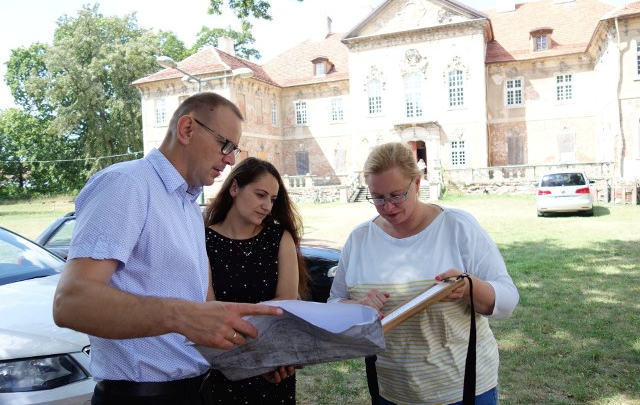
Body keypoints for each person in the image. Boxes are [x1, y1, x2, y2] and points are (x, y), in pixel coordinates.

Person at [53, 92, 283, 405]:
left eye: (234, 149)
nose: (231, 160)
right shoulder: (127, 184)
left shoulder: (188, 207)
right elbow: (72, 302)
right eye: (225, 145)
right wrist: (180, 316)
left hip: (196, 391)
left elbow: (201, 320)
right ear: (187, 129)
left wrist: (253, 362)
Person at [328, 142, 519, 405]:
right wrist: (358, 306)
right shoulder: (360, 238)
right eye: (377, 197)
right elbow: (335, 302)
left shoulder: (456, 226)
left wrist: (469, 287)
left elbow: (508, 300)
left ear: (417, 183)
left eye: (396, 195)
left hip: (462, 390)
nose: (388, 207)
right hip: (392, 391)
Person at [202, 157, 307, 404]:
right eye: (260, 195)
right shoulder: (203, 239)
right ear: (235, 188)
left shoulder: (279, 237)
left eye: (272, 199)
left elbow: (287, 302)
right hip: (224, 365)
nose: (267, 206)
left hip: (273, 365)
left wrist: (265, 358)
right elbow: (209, 308)